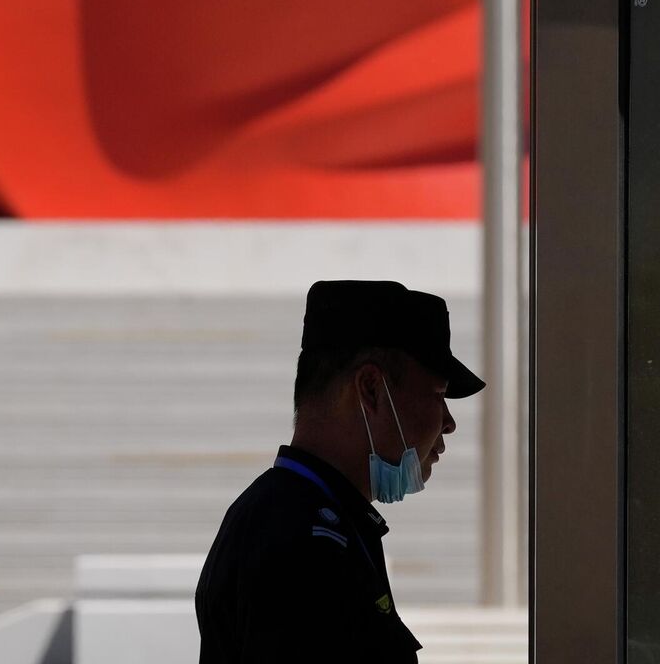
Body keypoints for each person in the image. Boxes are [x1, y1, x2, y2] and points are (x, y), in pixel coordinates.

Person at [195, 280, 485, 663]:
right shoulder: (305, 543)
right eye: (437, 395)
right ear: (371, 389)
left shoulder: (303, 515)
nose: (448, 423)